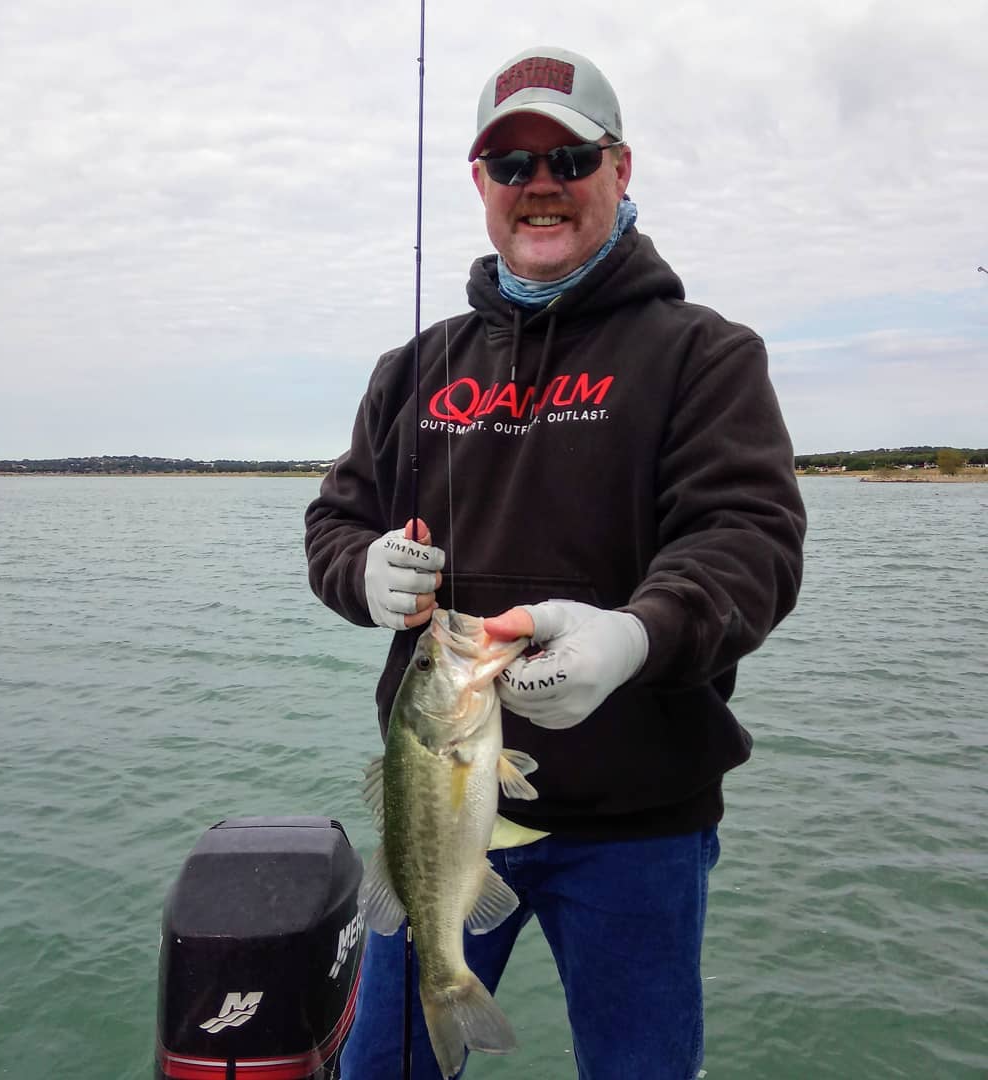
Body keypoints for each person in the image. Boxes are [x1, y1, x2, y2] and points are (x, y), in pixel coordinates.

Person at [305, 44, 806, 1080]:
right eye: (511, 162)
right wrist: (358, 570)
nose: (541, 185)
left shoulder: (705, 356)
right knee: (384, 1068)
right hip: (434, 807)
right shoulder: (414, 368)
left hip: (640, 827)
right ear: (480, 184)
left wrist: (639, 635)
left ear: (621, 171)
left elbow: (749, 539)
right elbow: (335, 521)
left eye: (569, 160)